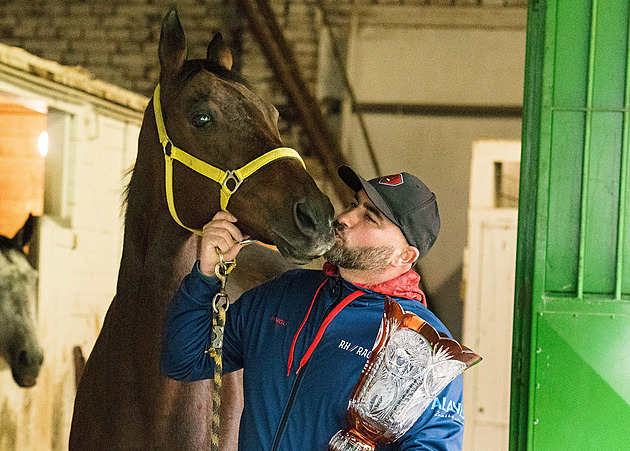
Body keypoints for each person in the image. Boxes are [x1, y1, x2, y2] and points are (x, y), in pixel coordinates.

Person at [161, 166, 464, 450]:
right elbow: (184, 361)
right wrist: (206, 274)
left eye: (370, 218)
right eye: (354, 205)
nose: (345, 218)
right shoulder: (283, 293)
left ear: (403, 256)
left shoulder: (424, 345)